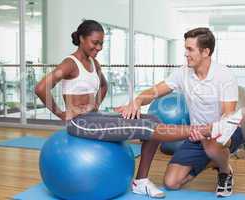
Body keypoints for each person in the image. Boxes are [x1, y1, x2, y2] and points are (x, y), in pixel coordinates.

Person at [35, 20, 227, 198]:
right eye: (95, 43)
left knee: (153, 119)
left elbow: (103, 86)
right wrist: (62, 114)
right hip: (80, 123)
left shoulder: (93, 62)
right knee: (146, 129)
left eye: (101, 43)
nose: (99, 48)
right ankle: (206, 129)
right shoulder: (70, 63)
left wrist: (96, 105)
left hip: (94, 117)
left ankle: (141, 181)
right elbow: (41, 87)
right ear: (82, 39)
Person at [115, 27, 243, 197]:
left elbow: (228, 117)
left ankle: (225, 171)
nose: (186, 54)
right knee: (171, 183)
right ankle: (214, 160)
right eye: (185, 49)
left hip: (222, 133)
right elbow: (155, 90)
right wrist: (138, 100)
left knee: (212, 146)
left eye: (190, 49)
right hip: (196, 134)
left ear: (206, 51)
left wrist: (208, 132)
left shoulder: (224, 75)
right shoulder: (183, 73)